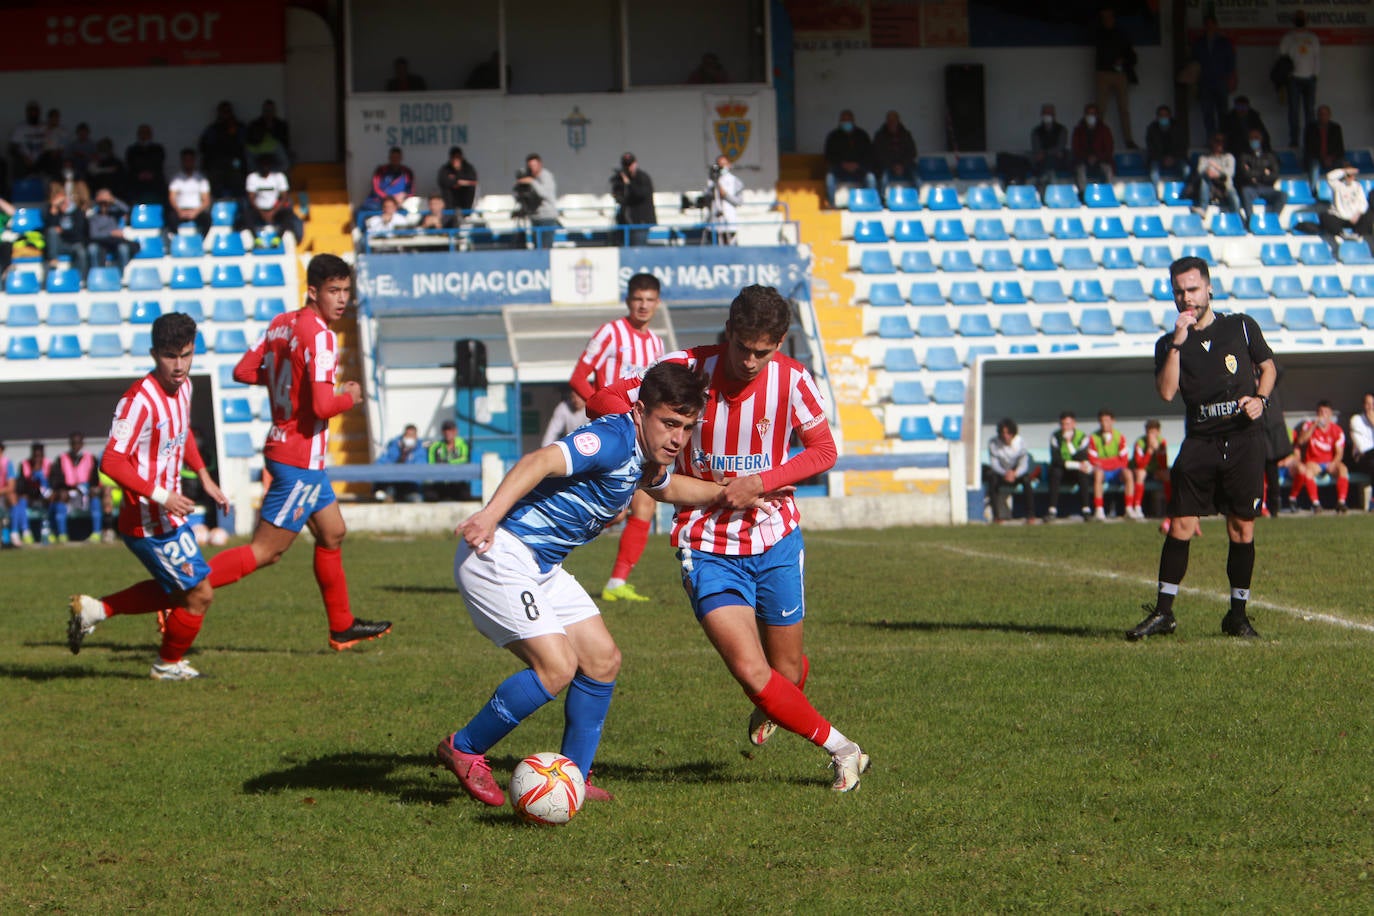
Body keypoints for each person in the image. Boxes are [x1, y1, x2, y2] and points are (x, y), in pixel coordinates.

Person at [587, 285, 871, 793]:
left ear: (780, 342)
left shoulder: (793, 379)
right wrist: (638, 432)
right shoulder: (687, 368)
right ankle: (843, 750)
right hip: (707, 541)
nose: (751, 360)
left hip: (776, 534)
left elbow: (824, 450)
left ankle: (777, 704)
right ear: (728, 333)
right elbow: (601, 398)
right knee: (750, 669)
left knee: (783, 671)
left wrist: (760, 481)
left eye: (764, 351)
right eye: (742, 347)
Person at [439, 361, 759, 807]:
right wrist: (489, 517)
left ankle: (573, 776)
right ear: (641, 410)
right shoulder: (611, 438)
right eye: (668, 423)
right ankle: (465, 748)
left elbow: (667, 490)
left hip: (541, 566)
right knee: (557, 667)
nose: (677, 438)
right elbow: (539, 460)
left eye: (686, 427)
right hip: (501, 553)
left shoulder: (645, 455)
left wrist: (727, 493)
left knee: (603, 661)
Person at [179, 254, 392, 650]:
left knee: (333, 533)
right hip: (299, 459)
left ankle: (342, 625)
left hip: (289, 449)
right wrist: (350, 396)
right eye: (333, 291)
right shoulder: (322, 337)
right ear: (312, 291)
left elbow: (242, 370)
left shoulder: (281, 324)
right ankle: (181, 594)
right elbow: (324, 407)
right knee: (265, 552)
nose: (342, 299)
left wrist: (289, 380)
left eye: (346, 290)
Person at [66, 313, 231, 679]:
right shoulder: (138, 401)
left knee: (180, 592)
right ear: (154, 353)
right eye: (170, 356)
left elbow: (182, 431)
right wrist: (162, 495)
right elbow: (111, 460)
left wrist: (204, 475)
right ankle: (167, 664)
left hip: (168, 515)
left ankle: (95, 610)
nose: (179, 366)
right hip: (147, 519)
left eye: (186, 355)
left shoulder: (184, 387)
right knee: (199, 594)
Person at [1127, 256, 1276, 641]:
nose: (1186, 298)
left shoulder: (1240, 326)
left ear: (1209, 288)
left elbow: (1269, 366)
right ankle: (1163, 613)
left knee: (1242, 528)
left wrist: (1261, 398)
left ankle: (1237, 616)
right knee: (1181, 525)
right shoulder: (1168, 342)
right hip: (1199, 442)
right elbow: (1166, 392)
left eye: (1192, 289)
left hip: (1243, 440)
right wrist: (1178, 343)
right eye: (1179, 291)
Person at [569, 273, 666, 601]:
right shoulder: (610, 333)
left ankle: (616, 583)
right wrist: (603, 410)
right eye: (638, 298)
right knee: (613, 509)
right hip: (612, 431)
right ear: (628, 300)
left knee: (645, 506)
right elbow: (579, 377)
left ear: (658, 303)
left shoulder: (656, 345)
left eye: (650, 299)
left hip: (640, 436)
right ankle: (549, 545)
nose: (643, 305)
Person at [1292, 400, 1350, 514]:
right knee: (1308, 471)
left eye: (1326, 412)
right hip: (1314, 462)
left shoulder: (1336, 430)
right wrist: (1314, 425)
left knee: (1343, 469)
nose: (1323, 415)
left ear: (1330, 414)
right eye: (1320, 412)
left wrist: (1334, 463)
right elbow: (1301, 441)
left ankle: (1341, 502)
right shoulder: (1309, 426)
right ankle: (1316, 504)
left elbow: (1339, 452)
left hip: (1330, 462)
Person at [1093, 7, 1138, 149]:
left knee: (1123, 109)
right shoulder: (1098, 33)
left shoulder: (1121, 34)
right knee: (1100, 109)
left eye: (1109, 17)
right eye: (1104, 17)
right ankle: (1096, 141)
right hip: (1103, 73)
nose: (1106, 20)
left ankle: (1128, 140)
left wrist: (1123, 60)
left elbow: (1132, 56)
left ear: (1113, 17)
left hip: (1119, 74)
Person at [983, 418, 1040, 524]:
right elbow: (994, 463)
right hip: (1001, 472)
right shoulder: (993, 443)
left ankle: (1031, 515)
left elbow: (1024, 464)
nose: (1006, 436)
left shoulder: (1020, 443)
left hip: (1017, 472)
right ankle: (997, 517)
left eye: (1009, 433)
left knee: (1027, 481)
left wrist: (1015, 473)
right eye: (1003, 433)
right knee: (992, 479)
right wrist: (1005, 473)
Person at [52, 432, 105, 543]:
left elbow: (95, 479)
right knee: (60, 499)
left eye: (78, 443)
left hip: (85, 492)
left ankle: (96, 533)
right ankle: (62, 534)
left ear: (82, 444)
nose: (76, 445)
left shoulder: (90, 458)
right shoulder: (61, 458)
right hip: (69, 492)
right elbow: (56, 479)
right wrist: (63, 489)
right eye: (73, 443)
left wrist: (92, 488)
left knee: (95, 497)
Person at [1191, 15, 1236, 140]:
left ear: (1216, 26)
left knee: (1223, 113)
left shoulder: (1224, 42)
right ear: (1204, 26)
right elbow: (1194, 63)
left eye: (1212, 24)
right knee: (1207, 113)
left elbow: (1231, 62)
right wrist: (1194, 83)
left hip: (1221, 81)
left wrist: (1231, 78)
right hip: (1204, 83)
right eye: (1207, 24)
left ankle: (1223, 141)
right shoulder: (1199, 43)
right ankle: (1211, 140)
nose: (1209, 27)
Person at [1279, 10, 1319, 149]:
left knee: (1310, 112)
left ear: (1306, 19)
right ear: (1294, 19)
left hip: (1309, 78)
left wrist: (1315, 75)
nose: (1300, 19)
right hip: (1293, 79)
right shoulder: (1288, 38)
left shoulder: (1312, 37)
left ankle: (1311, 140)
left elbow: (1317, 58)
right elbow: (1282, 58)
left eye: (1302, 17)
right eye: (1298, 17)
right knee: (1294, 112)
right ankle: (1294, 141)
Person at [1315, 164, 1374, 257]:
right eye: (1348, 175)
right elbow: (1329, 177)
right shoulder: (1338, 185)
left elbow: (1363, 204)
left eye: (1352, 175)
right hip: (1340, 217)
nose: (1350, 178)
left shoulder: (1357, 186)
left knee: (1370, 215)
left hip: (1355, 217)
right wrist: (1344, 171)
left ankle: (1357, 234)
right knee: (1325, 216)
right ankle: (1341, 234)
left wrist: (1358, 214)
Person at [243, 154, 303, 243]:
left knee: (288, 215)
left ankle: (278, 238)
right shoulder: (252, 177)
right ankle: (257, 240)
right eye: (262, 165)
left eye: (267, 165)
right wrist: (262, 213)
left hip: (275, 209)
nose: (265, 167)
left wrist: (273, 212)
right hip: (258, 210)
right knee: (246, 216)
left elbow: (284, 197)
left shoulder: (279, 177)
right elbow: (251, 198)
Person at [1088, 408, 1135, 521]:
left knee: (1128, 473)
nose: (1104, 424)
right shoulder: (1093, 438)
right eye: (1102, 421)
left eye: (1107, 421)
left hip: (1117, 471)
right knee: (1098, 474)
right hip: (1103, 472)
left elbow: (1124, 460)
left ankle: (1129, 508)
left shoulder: (1120, 437)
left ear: (1113, 421)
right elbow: (1093, 460)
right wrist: (1113, 461)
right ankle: (1099, 510)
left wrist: (1104, 462)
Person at [1045, 411, 1092, 521]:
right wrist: (1075, 465)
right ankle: (1052, 510)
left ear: (1074, 424)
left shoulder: (1082, 437)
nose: (1065, 427)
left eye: (1068, 424)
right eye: (1062, 424)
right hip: (1063, 469)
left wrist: (1069, 443)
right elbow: (1056, 459)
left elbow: (1081, 457)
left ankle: (1086, 510)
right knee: (1055, 472)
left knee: (1083, 473)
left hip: (1076, 471)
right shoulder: (1055, 437)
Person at [822, 110, 875, 206]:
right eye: (844, 120)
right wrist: (843, 164)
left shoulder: (862, 135)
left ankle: (870, 204)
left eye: (848, 120)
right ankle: (832, 205)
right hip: (840, 169)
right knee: (829, 178)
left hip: (859, 169)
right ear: (840, 121)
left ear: (853, 121)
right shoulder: (833, 136)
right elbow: (828, 155)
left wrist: (857, 164)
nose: (846, 122)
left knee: (871, 178)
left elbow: (869, 155)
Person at [1236, 128, 1286, 226]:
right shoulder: (1244, 156)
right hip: (1251, 188)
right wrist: (1264, 172)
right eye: (1252, 138)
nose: (1254, 140)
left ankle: (1271, 220)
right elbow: (1245, 174)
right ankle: (1251, 222)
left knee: (1283, 195)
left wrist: (1255, 175)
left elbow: (1275, 175)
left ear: (1261, 139)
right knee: (1245, 191)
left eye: (1256, 138)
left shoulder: (1270, 156)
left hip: (1267, 188)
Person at [198, 101, 246, 199]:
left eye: (227, 112)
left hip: (234, 165)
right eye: (223, 112)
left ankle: (240, 210)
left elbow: (243, 145)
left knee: (238, 185)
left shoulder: (239, 128)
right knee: (215, 188)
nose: (225, 115)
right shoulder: (212, 129)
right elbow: (203, 147)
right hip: (217, 166)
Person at [10, 442, 55, 545]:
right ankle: (26, 532)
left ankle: (49, 531)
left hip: (45, 496)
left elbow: (53, 484)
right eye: (35, 456)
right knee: (21, 501)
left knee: (52, 499)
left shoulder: (49, 465)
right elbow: (20, 485)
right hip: (29, 496)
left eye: (40, 456)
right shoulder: (24, 465)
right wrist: (31, 477)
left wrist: (42, 478)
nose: (37, 459)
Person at [43, 181, 89, 281]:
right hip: (59, 244)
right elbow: (48, 228)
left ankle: (81, 280)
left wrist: (63, 231)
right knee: (52, 232)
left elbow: (78, 233)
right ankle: (53, 262)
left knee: (81, 252)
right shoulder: (53, 212)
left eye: (64, 201)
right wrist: (54, 210)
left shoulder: (77, 212)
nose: (63, 204)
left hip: (74, 244)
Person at [1183, 133, 1239, 214]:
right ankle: (1203, 209)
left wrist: (1217, 172)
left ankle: (1236, 217)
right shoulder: (1204, 158)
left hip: (1225, 186)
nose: (1219, 143)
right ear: (1212, 142)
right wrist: (1207, 172)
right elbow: (1200, 170)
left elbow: (1230, 173)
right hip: (1210, 188)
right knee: (1204, 179)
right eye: (1217, 141)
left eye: (1222, 141)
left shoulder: (1229, 157)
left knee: (1234, 197)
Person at [610, 152, 655, 247]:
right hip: (625, 222)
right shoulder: (621, 179)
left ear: (635, 164)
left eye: (630, 164)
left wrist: (628, 183)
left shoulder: (642, 177)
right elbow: (619, 197)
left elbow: (640, 195)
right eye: (625, 165)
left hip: (641, 222)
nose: (628, 167)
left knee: (638, 248)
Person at [515, 153, 559, 248]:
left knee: (545, 247)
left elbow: (544, 194)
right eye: (530, 166)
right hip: (535, 217)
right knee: (537, 248)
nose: (532, 168)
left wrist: (532, 182)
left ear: (540, 165)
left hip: (547, 217)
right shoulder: (529, 176)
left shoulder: (546, 176)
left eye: (534, 165)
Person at [1130, 420, 1169, 521]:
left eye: (1153, 432)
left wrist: (1157, 451)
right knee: (1140, 474)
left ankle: (1171, 505)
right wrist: (1150, 451)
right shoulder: (1140, 443)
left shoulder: (1162, 442)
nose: (1151, 435)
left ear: (1158, 432)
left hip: (1156, 471)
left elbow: (1163, 465)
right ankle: (1137, 507)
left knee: (1167, 475)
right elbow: (1140, 464)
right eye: (1149, 432)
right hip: (1142, 470)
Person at [1071, 103, 1114, 195]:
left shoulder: (1104, 129)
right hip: (1083, 161)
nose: (1091, 116)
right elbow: (1076, 149)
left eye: (1093, 114)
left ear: (1097, 115)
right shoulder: (1078, 130)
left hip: (1101, 160)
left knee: (1108, 169)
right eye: (1089, 114)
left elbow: (1109, 149)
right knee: (1080, 170)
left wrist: (1097, 157)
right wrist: (1087, 157)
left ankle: (1108, 194)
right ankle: (1084, 195)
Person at [167, 148, 212, 237]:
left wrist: (196, 212)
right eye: (185, 160)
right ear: (182, 161)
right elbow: (172, 197)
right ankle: (177, 240)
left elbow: (206, 200)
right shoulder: (176, 179)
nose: (188, 162)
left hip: (196, 210)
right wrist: (179, 211)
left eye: (190, 160)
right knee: (170, 217)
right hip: (180, 210)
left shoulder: (201, 179)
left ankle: (200, 241)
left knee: (207, 219)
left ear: (194, 161)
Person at [870, 110, 917, 193]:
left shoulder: (906, 134)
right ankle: (882, 199)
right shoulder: (879, 136)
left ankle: (917, 198)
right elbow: (877, 154)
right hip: (886, 166)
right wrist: (893, 166)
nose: (892, 123)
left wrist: (902, 165)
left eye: (894, 120)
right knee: (882, 178)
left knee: (916, 177)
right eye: (890, 120)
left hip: (905, 165)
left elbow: (912, 152)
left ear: (898, 121)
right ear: (887, 121)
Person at [379, 423, 427, 503]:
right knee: (385, 496)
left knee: (417, 499)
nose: (409, 438)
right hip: (394, 482)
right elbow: (382, 462)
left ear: (416, 437)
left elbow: (420, 467)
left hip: (412, 484)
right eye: (407, 435)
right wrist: (402, 456)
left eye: (411, 435)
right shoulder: (394, 446)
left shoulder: (421, 449)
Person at [1303, 105, 1345, 192]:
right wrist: (1322, 158)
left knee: (1342, 165)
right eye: (1320, 114)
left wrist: (1331, 158)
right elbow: (1309, 148)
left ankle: (1340, 191)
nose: (1322, 117)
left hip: (1332, 158)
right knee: (1314, 166)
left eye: (1325, 114)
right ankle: (1314, 192)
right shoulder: (1310, 128)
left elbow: (1340, 148)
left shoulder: (1336, 128)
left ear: (1329, 115)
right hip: (1316, 158)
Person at [1145, 105, 1188, 188]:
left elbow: (1183, 145)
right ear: (1157, 117)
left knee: (1187, 170)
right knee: (1154, 172)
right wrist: (1162, 158)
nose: (1164, 118)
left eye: (1166, 115)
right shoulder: (1152, 129)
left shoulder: (1178, 127)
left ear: (1169, 116)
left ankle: (1187, 191)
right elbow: (1151, 148)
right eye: (1161, 115)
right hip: (1158, 158)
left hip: (1176, 157)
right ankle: (1156, 195)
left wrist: (1173, 157)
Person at [426, 419, 470, 501]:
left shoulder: (463, 445)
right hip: (440, 482)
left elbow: (464, 459)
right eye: (445, 430)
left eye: (451, 430)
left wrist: (448, 462)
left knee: (465, 495)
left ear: (456, 431)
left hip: (457, 481)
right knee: (430, 495)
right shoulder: (435, 447)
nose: (448, 433)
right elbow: (431, 464)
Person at [1029, 103, 1070, 191]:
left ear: (1054, 115)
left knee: (1052, 160)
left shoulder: (1061, 129)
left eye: (1049, 113)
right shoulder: (1036, 131)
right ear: (1041, 115)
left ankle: (1049, 183)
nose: (1047, 116)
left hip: (1058, 162)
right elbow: (1037, 149)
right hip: (1041, 163)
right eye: (1045, 113)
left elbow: (1060, 146)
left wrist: (1046, 153)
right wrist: (1051, 153)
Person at [123, 124, 166, 206]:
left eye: (146, 132)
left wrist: (150, 174)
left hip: (155, 182)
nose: (144, 134)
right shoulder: (132, 149)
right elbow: (130, 164)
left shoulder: (158, 148)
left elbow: (158, 163)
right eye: (142, 132)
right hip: (136, 182)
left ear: (150, 134)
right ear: (138, 134)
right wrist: (139, 174)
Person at [705, 154, 743, 245]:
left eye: (724, 164)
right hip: (714, 222)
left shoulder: (735, 181)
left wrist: (725, 194)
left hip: (729, 221)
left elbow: (739, 202)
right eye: (720, 165)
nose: (722, 167)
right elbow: (707, 199)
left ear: (729, 165)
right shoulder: (711, 181)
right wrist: (714, 186)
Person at [1221, 96, 1271, 162]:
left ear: (1248, 107)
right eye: (1239, 107)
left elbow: (1264, 135)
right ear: (1235, 107)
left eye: (1244, 107)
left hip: (1253, 147)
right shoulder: (1229, 118)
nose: (1242, 110)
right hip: (1236, 148)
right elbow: (1225, 136)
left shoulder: (1254, 117)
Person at [364, 146, 414, 211]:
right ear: (389, 158)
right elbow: (375, 189)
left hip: (400, 203)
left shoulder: (407, 172)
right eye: (393, 157)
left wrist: (404, 196)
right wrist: (389, 199)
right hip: (380, 202)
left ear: (401, 158)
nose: (395, 159)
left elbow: (411, 191)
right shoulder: (380, 170)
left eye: (397, 157)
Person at [9, 100, 44, 181]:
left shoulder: (44, 127)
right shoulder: (20, 128)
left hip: (41, 160)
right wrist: (24, 158)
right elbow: (12, 148)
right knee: (17, 162)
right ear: (27, 113)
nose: (33, 113)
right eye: (31, 111)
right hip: (25, 161)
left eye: (35, 111)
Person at [436, 146, 477, 212]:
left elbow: (473, 181)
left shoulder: (468, 168)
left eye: (458, 157)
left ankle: (467, 212)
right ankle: (450, 213)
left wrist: (457, 176)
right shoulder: (446, 168)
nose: (456, 160)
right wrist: (457, 182)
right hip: (451, 202)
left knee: (470, 189)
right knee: (446, 189)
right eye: (454, 158)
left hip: (465, 199)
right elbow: (442, 181)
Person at [1348, 392, 1374, 491]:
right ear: (1363, 405)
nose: (1371, 407)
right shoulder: (1356, 419)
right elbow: (1363, 448)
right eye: (1368, 404)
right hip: (1361, 458)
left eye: (1373, 404)